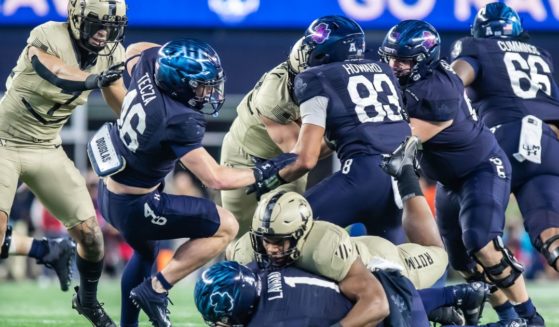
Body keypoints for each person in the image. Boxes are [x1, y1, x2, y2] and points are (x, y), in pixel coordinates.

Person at [92, 38, 296, 327]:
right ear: (178, 83)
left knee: (145, 253)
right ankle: (158, 287)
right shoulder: (177, 118)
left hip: (111, 192)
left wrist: (168, 57)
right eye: (202, 84)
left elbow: (134, 50)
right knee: (227, 226)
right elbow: (214, 177)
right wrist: (264, 171)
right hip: (138, 206)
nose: (209, 91)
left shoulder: (150, 66)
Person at [378, 20, 544, 326]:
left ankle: (529, 317)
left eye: (402, 60)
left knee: (482, 243)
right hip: (449, 181)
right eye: (389, 57)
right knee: (462, 262)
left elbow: (398, 138)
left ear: (423, 60)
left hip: (482, 169)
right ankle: (507, 317)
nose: (393, 65)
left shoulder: (438, 89)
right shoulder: (410, 82)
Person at [0, 0, 128, 325]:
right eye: (96, 24)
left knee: (91, 237)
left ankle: (86, 301)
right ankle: (43, 250)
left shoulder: (111, 54)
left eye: (110, 27)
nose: (103, 34)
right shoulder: (47, 34)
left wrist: (156, 123)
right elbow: (54, 71)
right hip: (4, 141)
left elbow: (124, 109)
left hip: (46, 147)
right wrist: (91, 80)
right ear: (74, 17)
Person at [264, 15, 410, 243]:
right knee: (391, 264)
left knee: (282, 229)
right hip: (404, 178)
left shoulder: (315, 77)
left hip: (364, 174)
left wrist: (270, 178)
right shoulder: (385, 70)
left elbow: (305, 158)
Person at [227, 186, 449, 326]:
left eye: (279, 241)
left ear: (301, 234)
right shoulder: (246, 252)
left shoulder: (325, 248)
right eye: (266, 240)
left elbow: (377, 304)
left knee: (438, 253)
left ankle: (407, 177)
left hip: (376, 261)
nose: (271, 249)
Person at [450, 2, 559, 274]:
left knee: (470, 229)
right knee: (551, 236)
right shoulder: (539, 54)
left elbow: (453, 82)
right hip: (547, 142)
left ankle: (506, 307)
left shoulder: (475, 47)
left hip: (503, 138)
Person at [194, 261, 507, 327]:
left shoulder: (269, 320)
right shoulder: (266, 270)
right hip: (388, 278)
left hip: (392, 317)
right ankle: (459, 294)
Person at [220, 37, 322, 236]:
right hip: (246, 158)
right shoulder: (274, 95)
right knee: (238, 235)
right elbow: (302, 157)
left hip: (289, 158)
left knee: (289, 231)